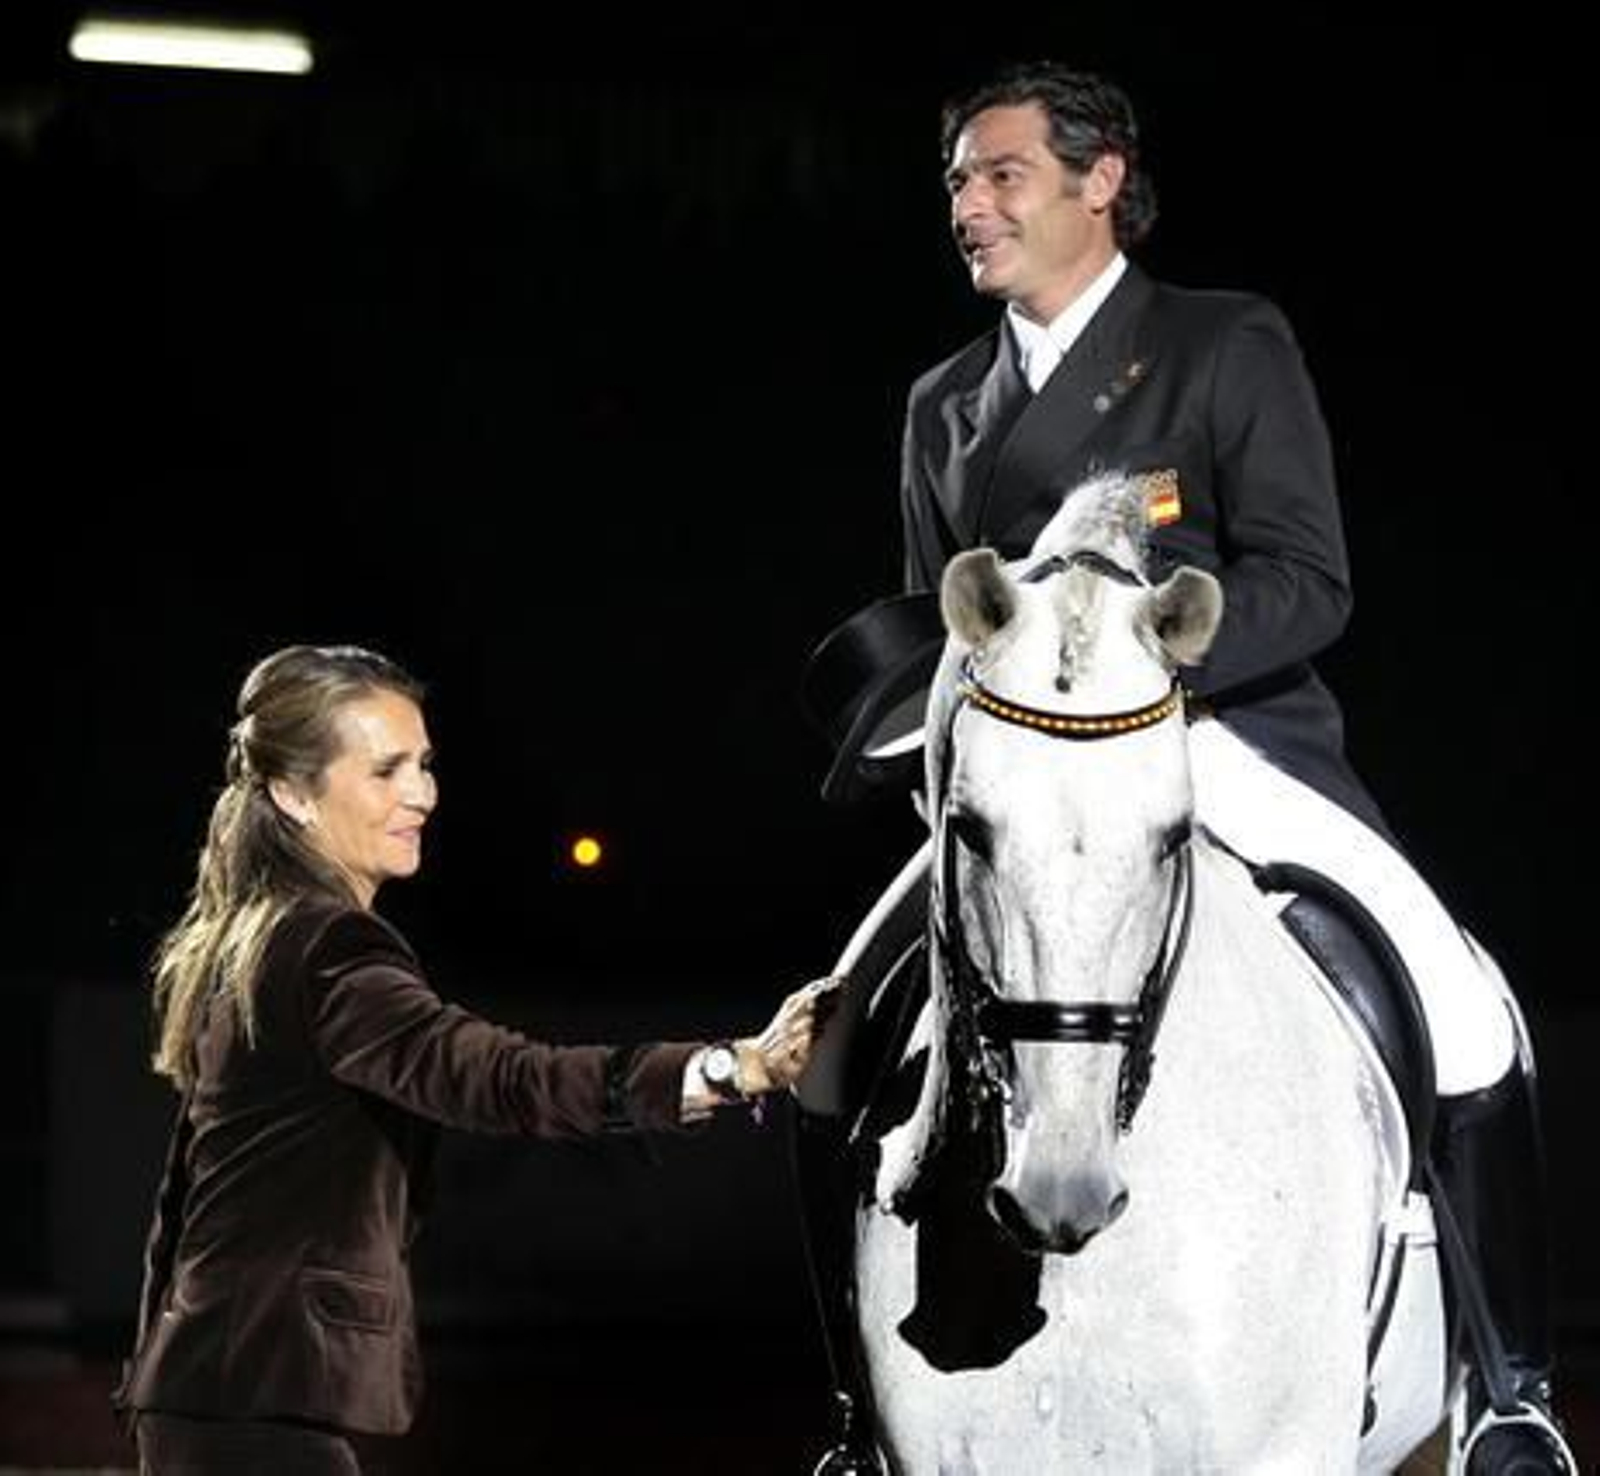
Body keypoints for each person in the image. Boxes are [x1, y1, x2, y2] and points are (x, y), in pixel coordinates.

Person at [794, 59, 1573, 1474]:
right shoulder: (943, 406)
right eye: (958, 181)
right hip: (1033, 780)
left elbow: (1311, 580)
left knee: (1466, 1007)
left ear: (1102, 182)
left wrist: (1154, 662)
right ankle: (860, 1408)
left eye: (1002, 174)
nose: (969, 205)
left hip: (1220, 745)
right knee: (840, 1035)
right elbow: (943, 621)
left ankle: (1510, 1389)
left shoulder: (1223, 343)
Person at [113, 642, 838, 1475]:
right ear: (291, 793)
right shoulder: (330, 947)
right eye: (385, 771)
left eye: (423, 764)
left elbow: (187, 1194)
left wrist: (153, 1376)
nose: (422, 794)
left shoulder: (255, 941)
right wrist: (730, 1068)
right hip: (254, 1401)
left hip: (213, 1391)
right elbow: (498, 1079)